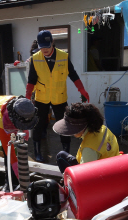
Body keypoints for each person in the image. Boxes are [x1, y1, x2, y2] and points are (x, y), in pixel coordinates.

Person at [25, 30, 90, 163]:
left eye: (47, 47)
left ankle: (66, 152)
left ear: (52, 43)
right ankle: (37, 151)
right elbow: (31, 80)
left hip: (59, 97)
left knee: (64, 124)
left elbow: (72, 74)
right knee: (38, 124)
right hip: (41, 97)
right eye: (42, 47)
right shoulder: (35, 58)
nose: (45, 50)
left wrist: (81, 89)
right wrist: (27, 98)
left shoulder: (63, 56)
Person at [52, 103, 120, 173]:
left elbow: (84, 174)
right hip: (113, 165)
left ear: (80, 127)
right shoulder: (102, 128)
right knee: (62, 155)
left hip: (101, 175)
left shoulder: (89, 149)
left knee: (60, 157)